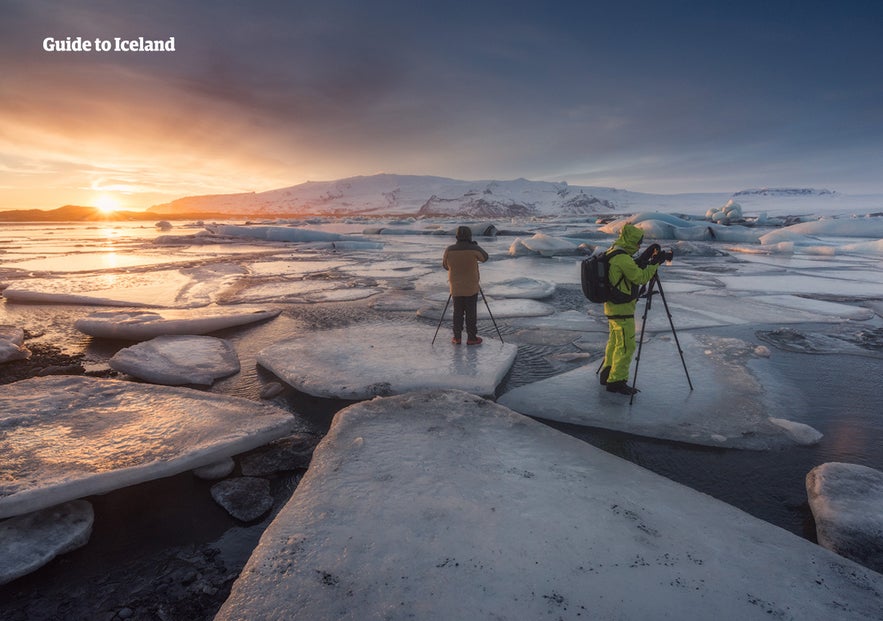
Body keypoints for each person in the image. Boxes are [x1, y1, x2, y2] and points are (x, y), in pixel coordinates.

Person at [599, 223, 663, 395]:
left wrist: (644, 258)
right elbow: (640, 277)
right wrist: (655, 263)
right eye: (637, 243)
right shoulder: (622, 259)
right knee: (626, 346)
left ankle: (607, 373)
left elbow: (629, 270)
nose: (638, 246)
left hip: (613, 308)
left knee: (615, 343)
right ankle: (616, 381)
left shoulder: (613, 252)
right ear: (631, 241)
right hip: (622, 309)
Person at [442, 225, 489, 345]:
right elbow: (485, 258)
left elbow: (445, 266)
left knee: (457, 312)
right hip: (471, 287)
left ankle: (457, 337)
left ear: (457, 236)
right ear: (469, 236)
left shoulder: (449, 250)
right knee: (471, 313)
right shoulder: (473, 248)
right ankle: (472, 338)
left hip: (456, 287)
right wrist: (475, 246)